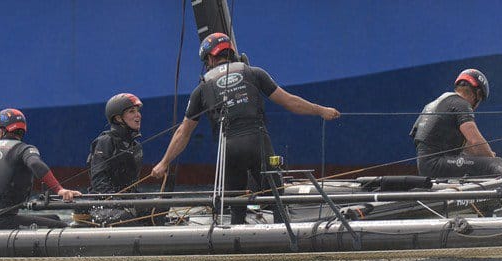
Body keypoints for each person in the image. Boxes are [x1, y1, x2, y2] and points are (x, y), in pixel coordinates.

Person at [151, 32, 341, 224]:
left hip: (229, 149)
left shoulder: (201, 89)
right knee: (276, 199)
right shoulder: (254, 73)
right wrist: (321, 110)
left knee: (236, 204)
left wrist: (164, 162)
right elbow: (290, 102)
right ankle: (283, 242)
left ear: (209, 57)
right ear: (231, 52)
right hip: (257, 142)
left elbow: (183, 133)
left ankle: (237, 244)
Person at [0, 108, 81, 229]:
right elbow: (35, 164)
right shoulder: (23, 149)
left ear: (2, 131)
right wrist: (59, 190)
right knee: (61, 226)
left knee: (54, 218)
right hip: (1, 221)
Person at [410, 69, 502, 178]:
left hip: (425, 165)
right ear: (477, 93)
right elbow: (475, 140)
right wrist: (490, 157)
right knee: (494, 164)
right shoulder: (461, 103)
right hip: (436, 164)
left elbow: (468, 146)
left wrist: (481, 155)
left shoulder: (433, 105)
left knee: (476, 163)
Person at [72, 93, 147, 226]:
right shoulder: (105, 142)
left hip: (126, 201)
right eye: (132, 111)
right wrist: (120, 203)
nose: (138, 115)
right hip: (102, 204)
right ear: (118, 118)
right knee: (127, 218)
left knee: (158, 210)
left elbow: (132, 185)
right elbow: (99, 183)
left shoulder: (136, 147)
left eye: (138, 111)